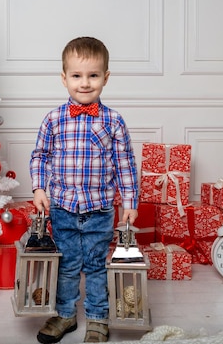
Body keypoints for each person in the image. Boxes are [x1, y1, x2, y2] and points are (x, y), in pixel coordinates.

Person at [29, 36, 139, 343]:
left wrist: (129, 200)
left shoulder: (114, 121)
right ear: (64, 78)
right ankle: (65, 315)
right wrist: (39, 189)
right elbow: (40, 155)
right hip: (63, 207)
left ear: (106, 77)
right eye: (77, 75)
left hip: (99, 209)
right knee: (66, 265)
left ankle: (97, 319)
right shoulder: (53, 119)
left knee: (94, 267)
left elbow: (126, 163)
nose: (85, 83)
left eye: (93, 75)